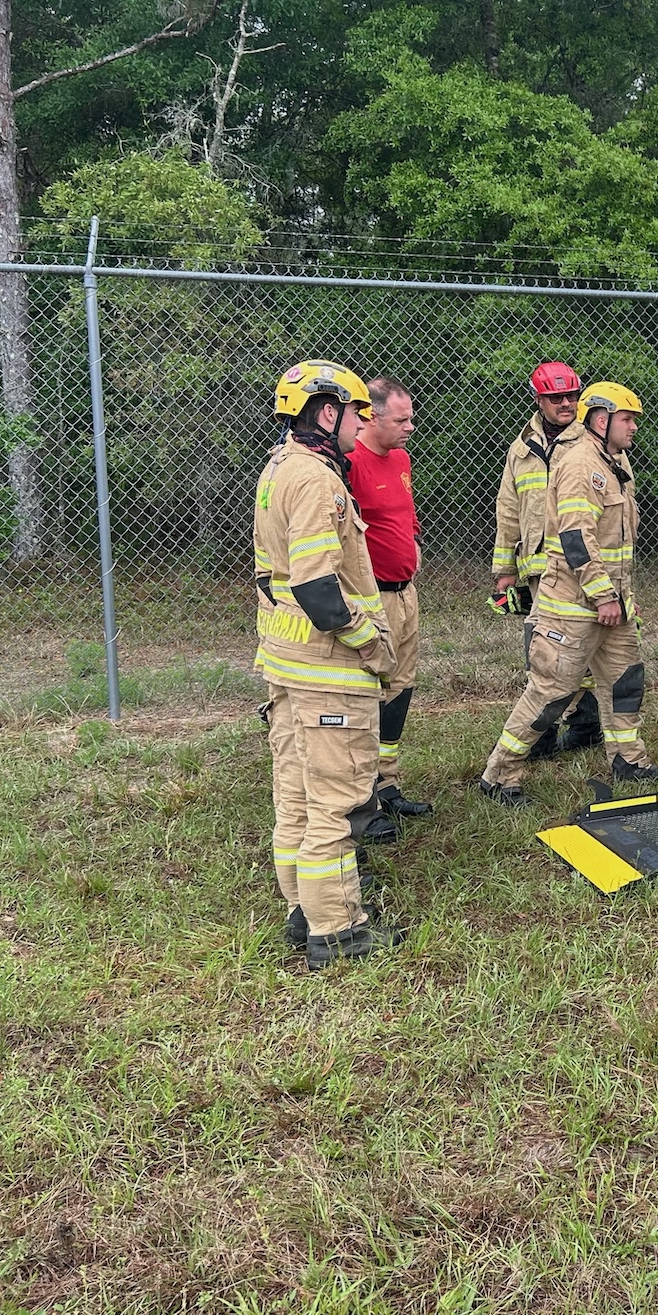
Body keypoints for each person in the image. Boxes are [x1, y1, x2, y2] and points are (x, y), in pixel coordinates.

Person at [253, 360, 404, 968]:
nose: (360, 423)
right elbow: (320, 591)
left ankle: (303, 911)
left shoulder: (278, 467)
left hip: (288, 669)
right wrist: (372, 643)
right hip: (327, 672)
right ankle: (338, 930)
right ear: (326, 412)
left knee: (295, 796)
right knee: (335, 806)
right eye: (353, 412)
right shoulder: (316, 480)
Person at [478, 381, 658, 803]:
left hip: (611, 606)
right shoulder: (578, 465)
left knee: (624, 683)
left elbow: (616, 541)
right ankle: (500, 775)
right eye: (627, 419)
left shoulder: (615, 462)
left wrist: (621, 596)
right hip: (571, 607)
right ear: (601, 419)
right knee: (551, 692)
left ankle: (629, 761)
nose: (633, 428)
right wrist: (603, 595)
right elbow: (576, 538)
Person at [491, 361, 603, 757]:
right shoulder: (521, 449)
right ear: (539, 399)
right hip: (539, 568)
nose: (566, 403)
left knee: (579, 646)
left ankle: (583, 722)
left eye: (572, 395)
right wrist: (504, 570)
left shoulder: (590, 443)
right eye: (557, 397)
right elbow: (508, 510)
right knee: (546, 651)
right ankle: (548, 731)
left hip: (581, 566)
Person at [347, 375, 432, 819]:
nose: (410, 426)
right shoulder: (349, 462)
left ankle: (389, 782)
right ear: (370, 416)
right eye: (402, 419)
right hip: (370, 599)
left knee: (400, 689)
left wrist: (414, 541)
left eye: (410, 418)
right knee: (367, 694)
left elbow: (405, 512)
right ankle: (362, 794)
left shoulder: (400, 458)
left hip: (405, 595)